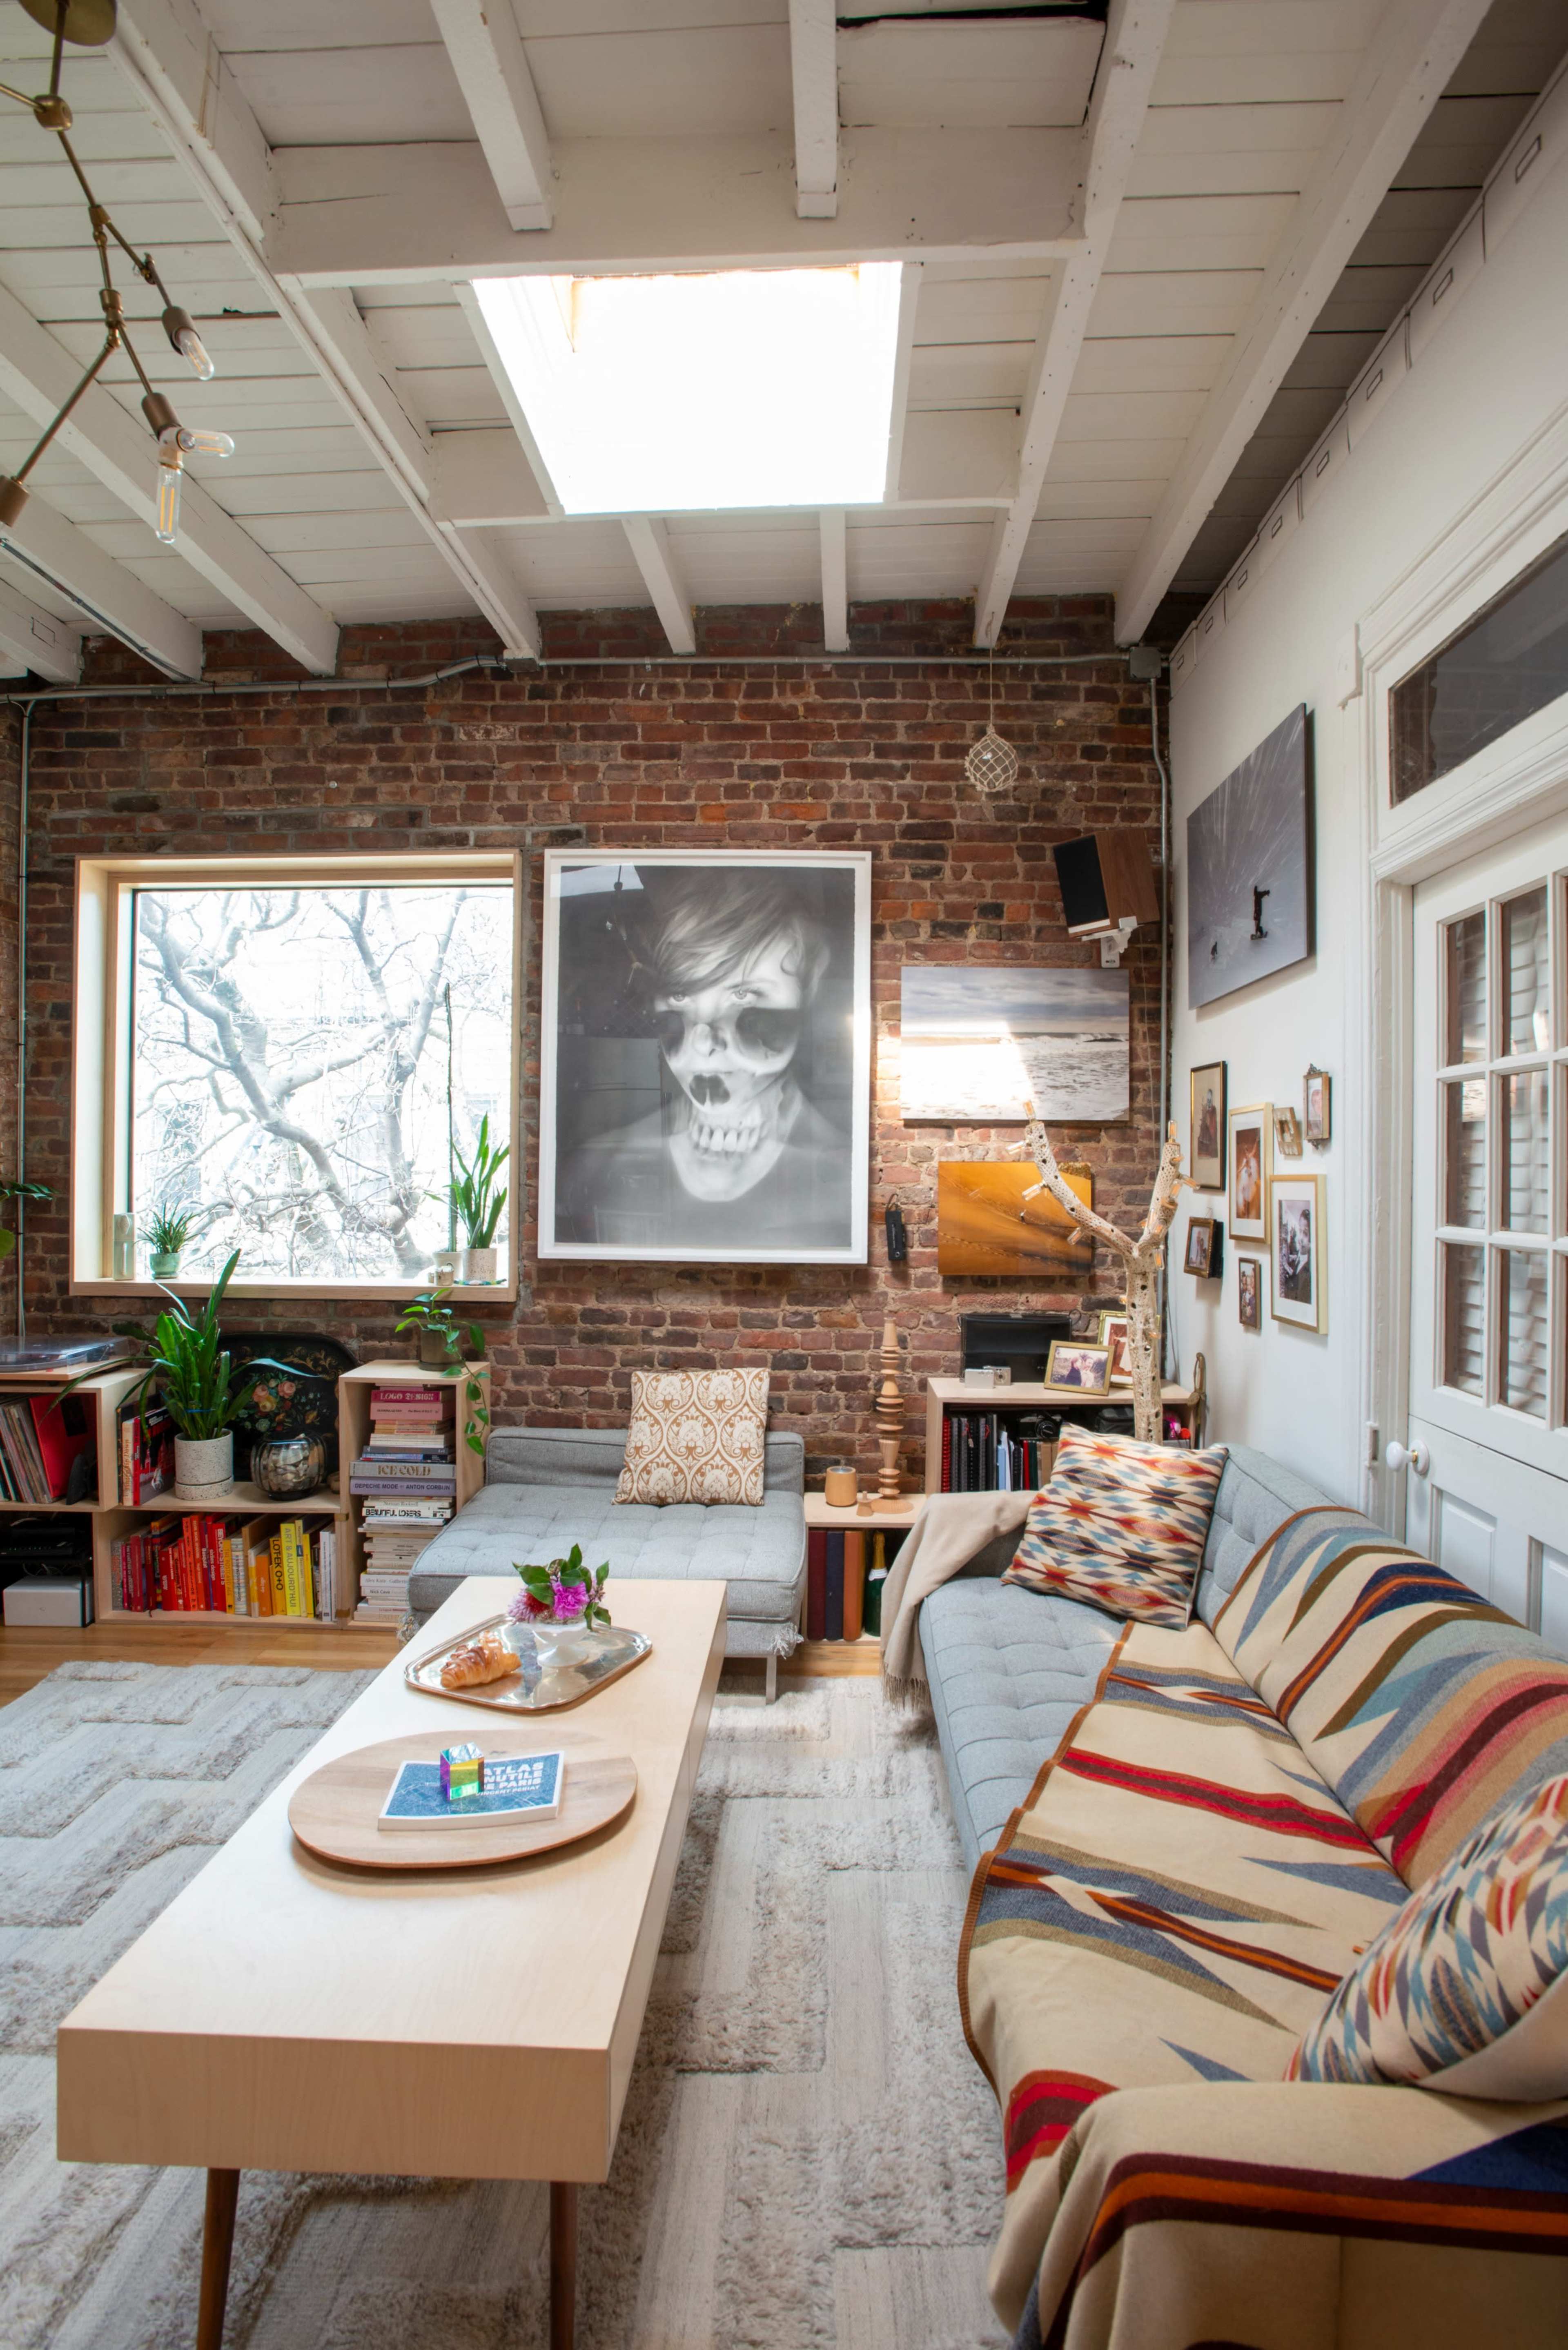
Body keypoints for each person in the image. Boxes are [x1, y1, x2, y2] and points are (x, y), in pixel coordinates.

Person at [555, 868, 852, 1252]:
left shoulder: (848, 1182)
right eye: (680, 999)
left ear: (808, 984)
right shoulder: (599, 1169)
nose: (702, 1042)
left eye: (745, 998)